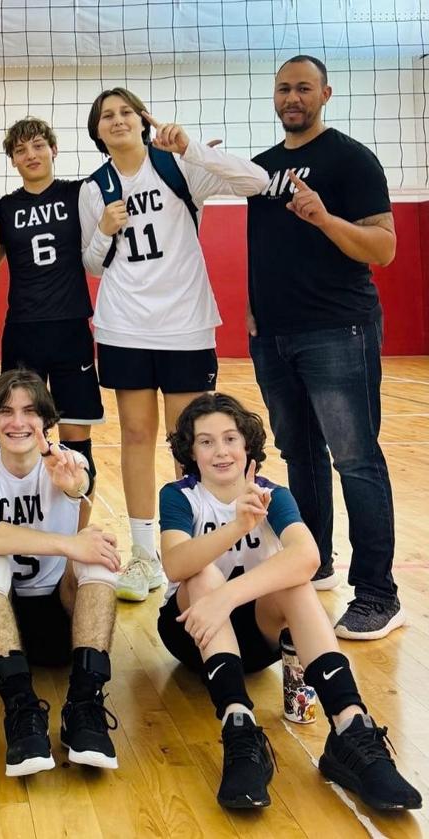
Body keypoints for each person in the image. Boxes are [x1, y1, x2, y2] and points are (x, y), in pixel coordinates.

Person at [157, 392, 420, 811]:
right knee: (201, 573)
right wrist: (237, 527)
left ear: (247, 444)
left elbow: (309, 557)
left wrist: (227, 597)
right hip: (192, 630)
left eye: (230, 438)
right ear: (191, 451)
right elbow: (174, 565)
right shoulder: (179, 494)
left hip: (254, 635)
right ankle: (239, 728)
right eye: (206, 441)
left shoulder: (272, 494)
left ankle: (351, 727)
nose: (220, 451)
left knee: (295, 582)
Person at [81, 87, 268, 603]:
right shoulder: (94, 188)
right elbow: (92, 264)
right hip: (123, 326)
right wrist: (104, 230)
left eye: (126, 111)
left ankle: (190, 552)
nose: (117, 120)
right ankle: (145, 556)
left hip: (185, 325)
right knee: (137, 436)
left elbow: (256, 180)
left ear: (143, 120)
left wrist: (192, 149)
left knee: (188, 441)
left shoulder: (177, 165)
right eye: (106, 116)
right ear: (97, 131)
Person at [247, 55, 402, 638]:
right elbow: (266, 248)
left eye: (304, 88)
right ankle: (315, 563)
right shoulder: (262, 169)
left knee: (355, 460)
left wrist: (325, 219)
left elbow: (383, 248)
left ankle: (379, 594)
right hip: (274, 336)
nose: (293, 97)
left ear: (325, 94)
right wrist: (253, 310)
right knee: (300, 455)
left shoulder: (351, 159)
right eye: (284, 88)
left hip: (338, 330)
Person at [0, 369, 121, 777]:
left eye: (29, 411)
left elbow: (81, 483)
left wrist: (75, 486)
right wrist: (64, 543)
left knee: (97, 546)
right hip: (2, 618)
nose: (18, 422)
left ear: (46, 419)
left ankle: (84, 705)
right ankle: (22, 709)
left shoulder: (67, 460)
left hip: (63, 616)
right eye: (6, 412)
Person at [0, 116, 105, 600]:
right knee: (18, 439)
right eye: (20, 150)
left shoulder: (78, 194)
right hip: (23, 330)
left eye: (37, 145)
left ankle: (80, 542)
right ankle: (11, 541)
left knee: (77, 440)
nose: (30, 155)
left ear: (53, 149)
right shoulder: (4, 207)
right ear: (12, 160)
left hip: (71, 327)